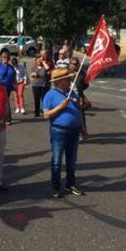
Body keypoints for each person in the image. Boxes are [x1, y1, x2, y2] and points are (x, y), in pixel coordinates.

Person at [43, 68, 86, 198]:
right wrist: (60, 107)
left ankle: (70, 183)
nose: (70, 81)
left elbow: (79, 111)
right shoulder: (50, 95)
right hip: (59, 131)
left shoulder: (72, 92)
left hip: (74, 130)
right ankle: (56, 187)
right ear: (60, 81)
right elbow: (46, 115)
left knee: (72, 160)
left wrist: (83, 128)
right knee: (56, 160)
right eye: (67, 79)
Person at [30, 50, 51, 118]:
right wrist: (34, 74)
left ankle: (45, 111)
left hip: (44, 85)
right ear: (35, 60)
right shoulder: (33, 66)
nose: (39, 60)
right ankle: (37, 112)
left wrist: (43, 62)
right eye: (37, 59)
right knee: (36, 99)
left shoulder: (44, 65)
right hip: (35, 85)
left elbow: (48, 68)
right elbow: (31, 75)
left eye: (40, 59)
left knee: (44, 99)